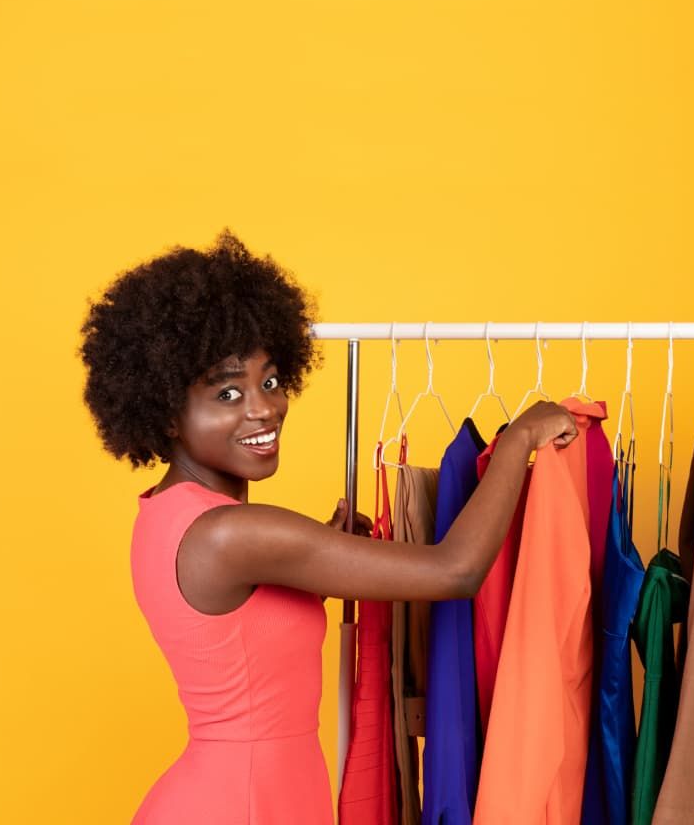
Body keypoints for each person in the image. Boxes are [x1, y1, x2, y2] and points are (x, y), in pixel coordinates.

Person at [78, 229, 577, 824]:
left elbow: (233, 640)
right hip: (244, 806)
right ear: (164, 411)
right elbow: (458, 570)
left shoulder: (170, 515)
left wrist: (317, 553)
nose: (262, 408)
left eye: (268, 381)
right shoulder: (233, 536)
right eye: (228, 393)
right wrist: (519, 436)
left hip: (244, 797)